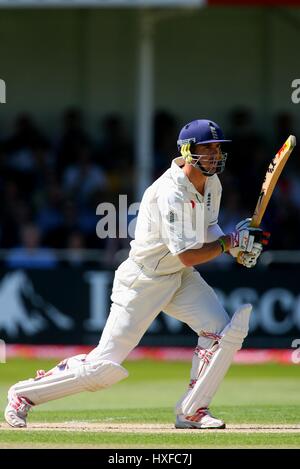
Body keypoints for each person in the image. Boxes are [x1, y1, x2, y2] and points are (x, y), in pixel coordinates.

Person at [4, 119, 269, 429]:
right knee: (102, 368)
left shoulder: (212, 184)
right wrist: (228, 244)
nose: (213, 155)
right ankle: (22, 395)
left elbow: (209, 229)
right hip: (144, 281)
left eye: (217, 149)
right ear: (187, 151)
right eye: (206, 149)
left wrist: (236, 248)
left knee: (222, 331)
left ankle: (192, 410)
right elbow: (185, 255)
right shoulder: (169, 193)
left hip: (179, 279)